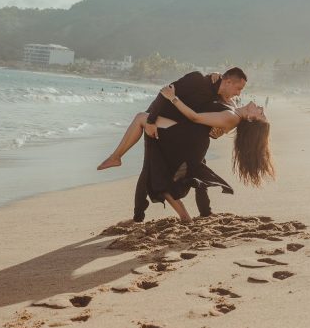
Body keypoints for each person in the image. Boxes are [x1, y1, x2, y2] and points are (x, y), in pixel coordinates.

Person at [97, 68, 248, 221]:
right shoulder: (197, 79)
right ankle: (143, 213)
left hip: (176, 129)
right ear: (228, 82)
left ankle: (142, 214)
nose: (239, 93)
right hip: (159, 120)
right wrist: (151, 120)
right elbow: (165, 92)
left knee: (166, 168)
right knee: (153, 167)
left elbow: (213, 122)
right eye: (238, 88)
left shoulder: (219, 96)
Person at [144, 83, 273, 222]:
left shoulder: (232, 117)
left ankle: (187, 215)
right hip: (194, 142)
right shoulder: (233, 109)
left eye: (261, 113)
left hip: (190, 140)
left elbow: (196, 118)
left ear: (251, 119)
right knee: (192, 176)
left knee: (163, 177)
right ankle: (203, 211)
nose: (262, 108)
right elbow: (218, 100)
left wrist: (173, 98)